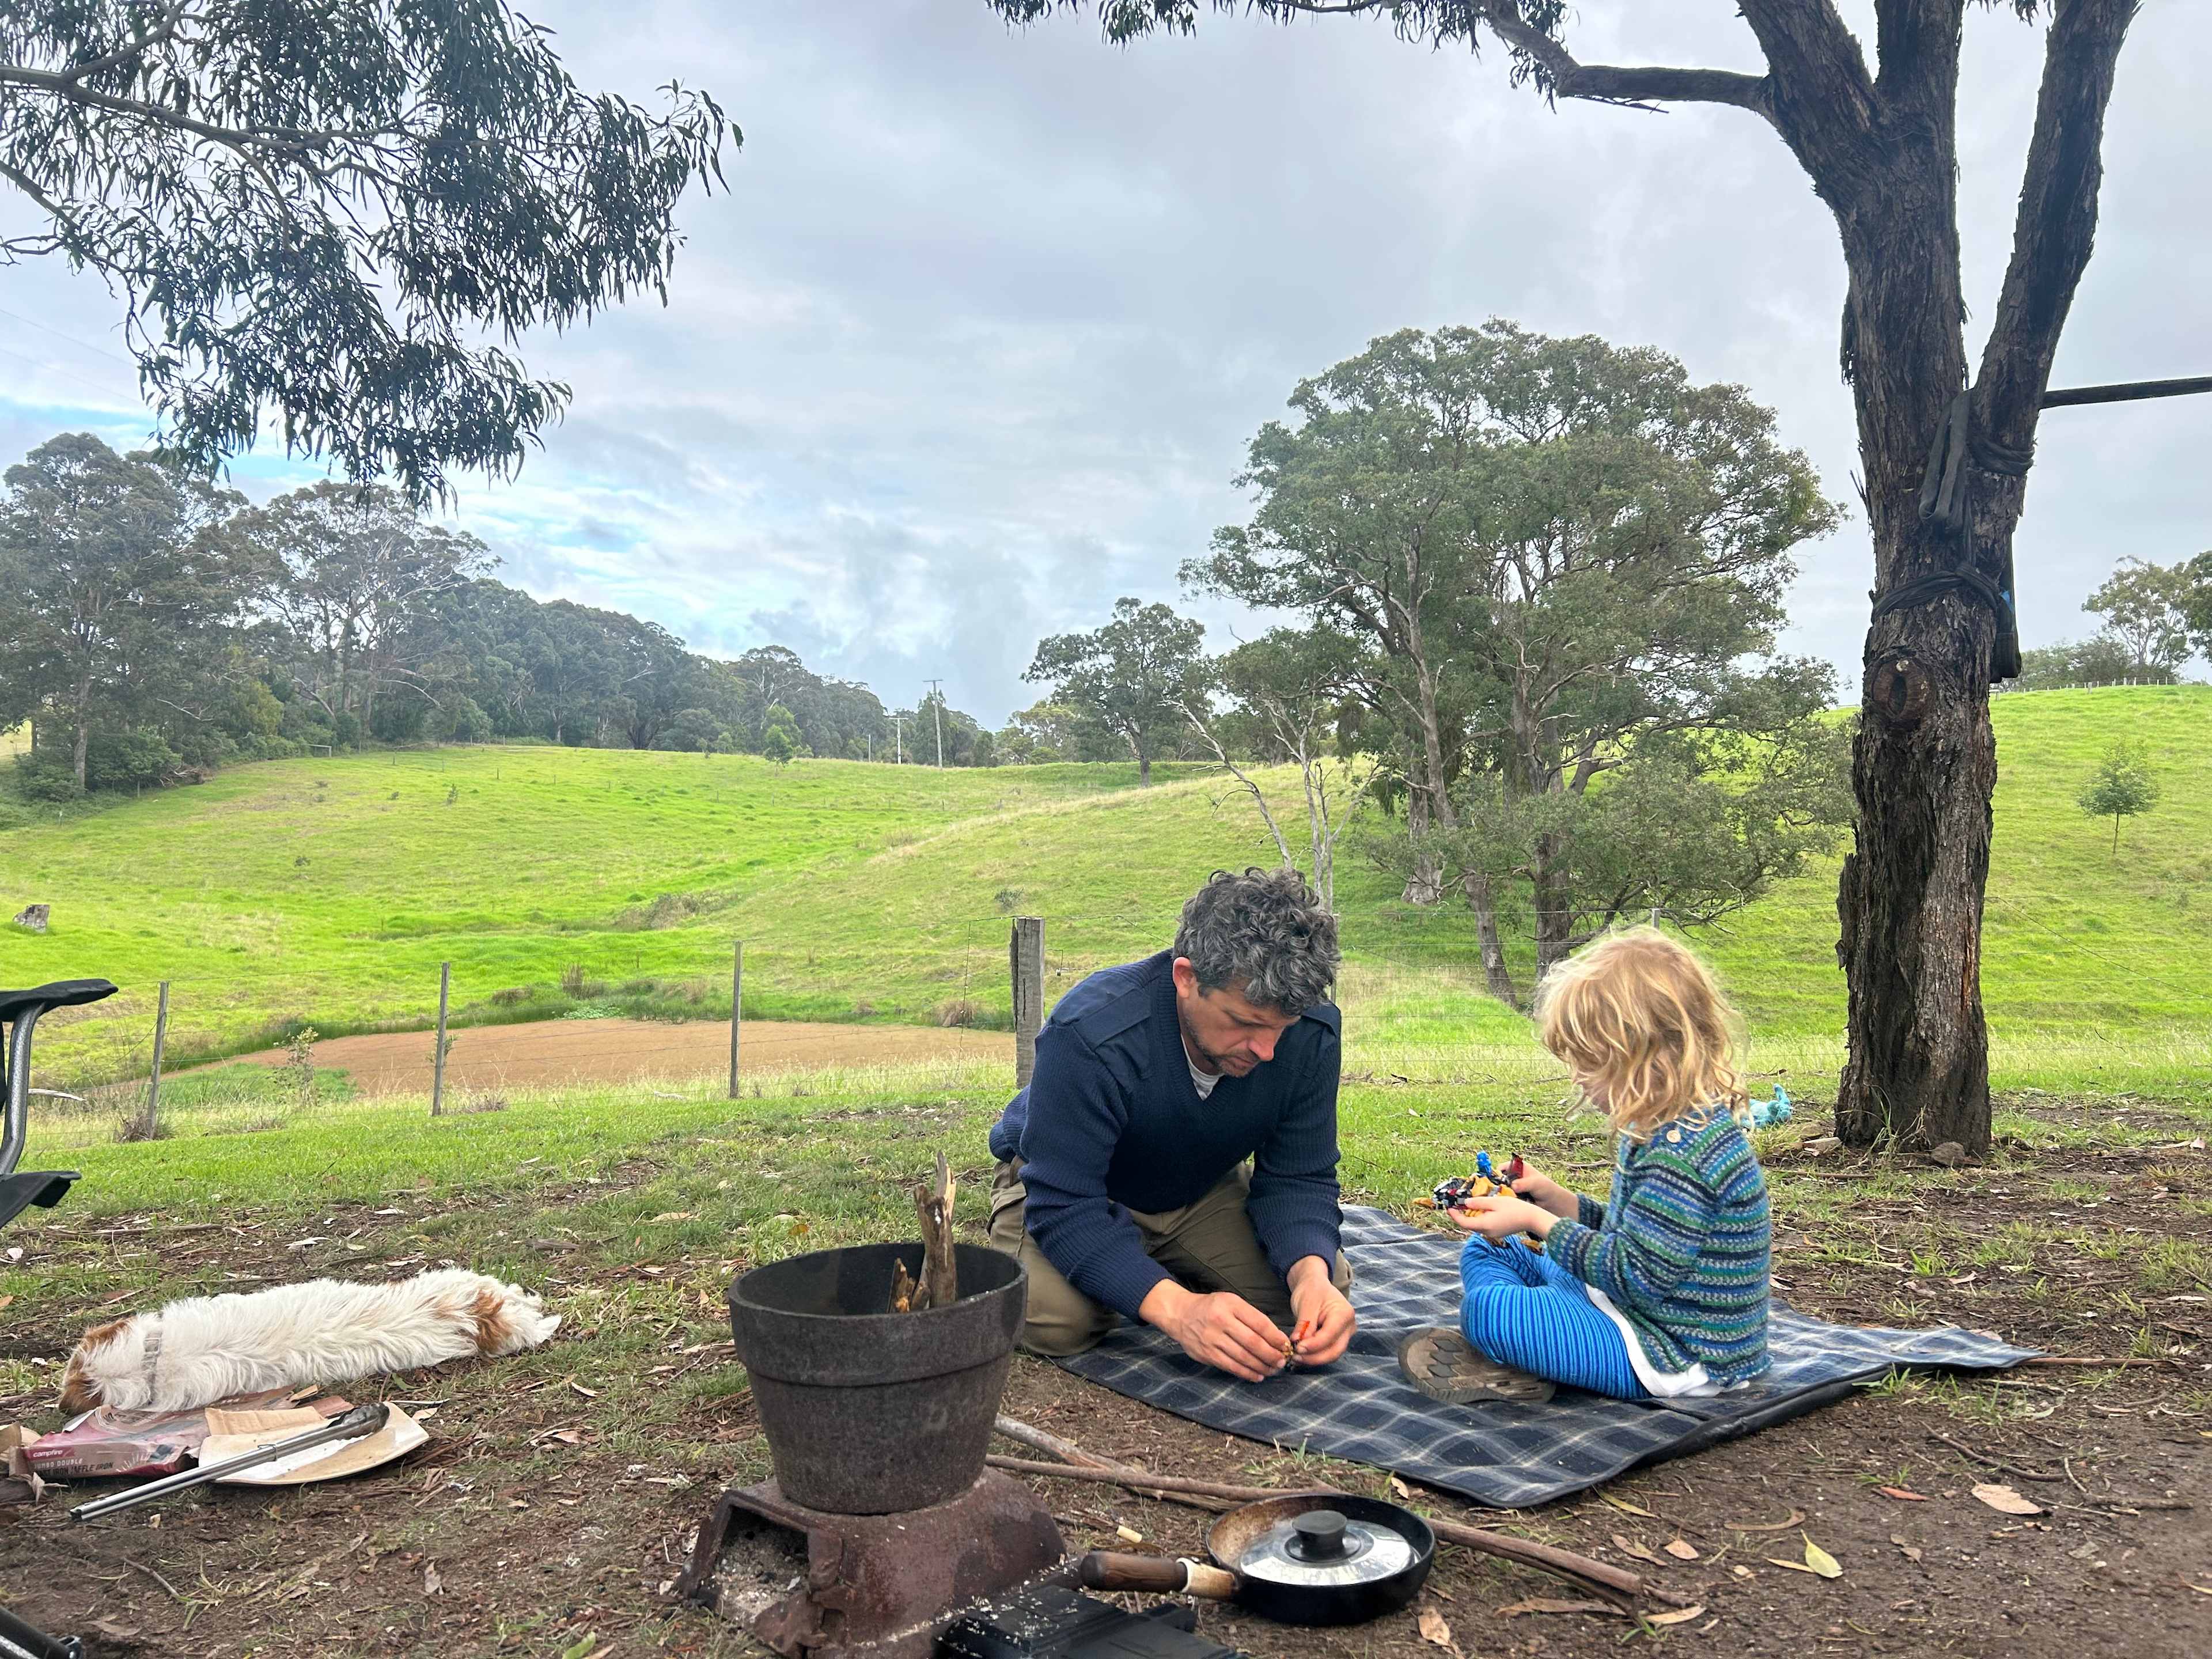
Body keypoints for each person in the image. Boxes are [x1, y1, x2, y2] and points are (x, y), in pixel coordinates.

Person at [987, 868, 1356, 1381]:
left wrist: (1310, 1273)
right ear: (1186, 978)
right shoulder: (1093, 1031)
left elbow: (1299, 1177)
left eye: (1281, 1029)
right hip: (1070, 1186)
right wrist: (1180, 1313)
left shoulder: (1312, 1033)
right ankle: (1134, 1278)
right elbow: (1065, 1202)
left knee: (1316, 1298)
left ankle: (1142, 1274)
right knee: (1060, 1323)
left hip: (1196, 1187)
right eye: (1245, 1023)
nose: (1267, 1051)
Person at [1396, 928, 1771, 1404]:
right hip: (1628, 1305)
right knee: (1490, 1248)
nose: (1576, 1075)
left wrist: (1538, 1220)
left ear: (1644, 1056)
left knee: (1489, 1312)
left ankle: (1527, 1348)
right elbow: (1634, 1236)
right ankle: (1545, 1337)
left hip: (1672, 1351)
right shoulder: (1664, 1128)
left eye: (1588, 1062)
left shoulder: (1685, 1156)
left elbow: (1637, 1275)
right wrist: (1559, 1201)